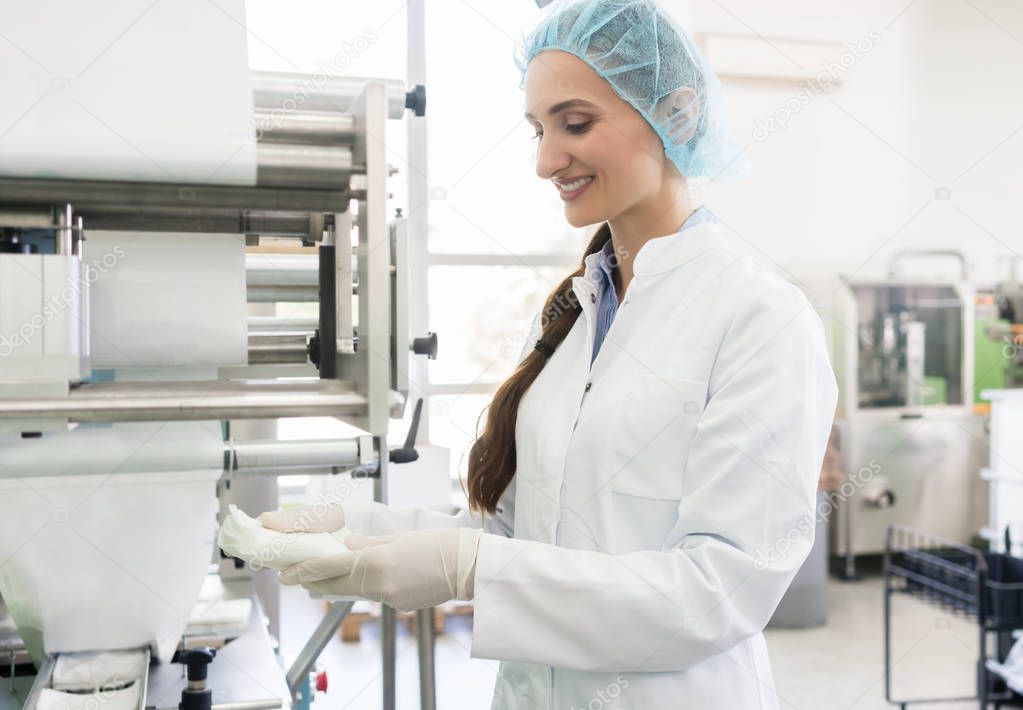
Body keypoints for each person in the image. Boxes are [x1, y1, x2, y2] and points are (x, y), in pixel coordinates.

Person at [259, 0, 838, 707]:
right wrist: (354, 527)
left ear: (677, 117)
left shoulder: (760, 320)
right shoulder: (575, 314)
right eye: (537, 130)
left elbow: (715, 595)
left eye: (574, 123)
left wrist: (472, 569)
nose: (544, 161)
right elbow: (515, 529)